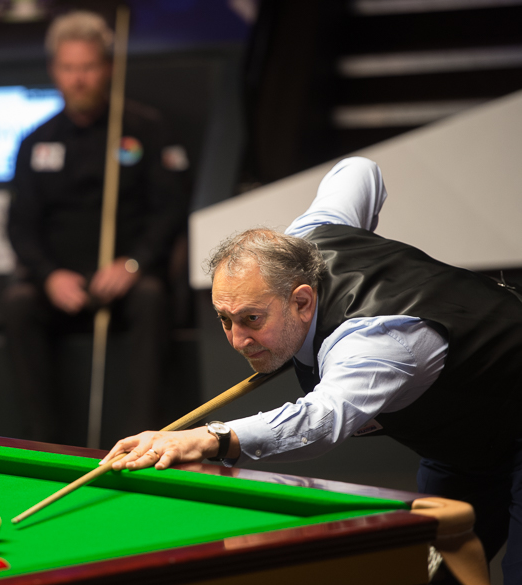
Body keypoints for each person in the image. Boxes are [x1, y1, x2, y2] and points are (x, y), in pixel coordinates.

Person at [102, 156, 522, 580]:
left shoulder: (374, 341)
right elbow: (359, 169)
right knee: (431, 576)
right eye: (225, 319)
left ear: (302, 301)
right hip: (458, 444)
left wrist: (209, 439)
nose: (237, 340)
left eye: (252, 319)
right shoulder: (307, 241)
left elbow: (319, 421)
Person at [3, 11, 190, 446]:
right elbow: (19, 226)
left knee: (151, 297)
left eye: (87, 66)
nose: (78, 78)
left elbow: (170, 210)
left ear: (107, 68)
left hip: (124, 281)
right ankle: (40, 443)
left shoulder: (144, 129)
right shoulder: (36, 142)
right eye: (68, 68)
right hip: (61, 286)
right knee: (17, 303)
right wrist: (49, 275)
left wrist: (133, 264)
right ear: (54, 71)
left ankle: (141, 442)